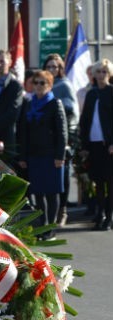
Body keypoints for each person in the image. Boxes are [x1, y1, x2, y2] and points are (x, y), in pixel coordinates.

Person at [18, 70, 67, 240]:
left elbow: (62, 132)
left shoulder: (55, 103)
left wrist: (60, 156)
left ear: (49, 85)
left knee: (52, 193)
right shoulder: (29, 103)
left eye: (42, 83)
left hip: (52, 156)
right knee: (38, 193)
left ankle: (51, 228)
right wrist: (23, 156)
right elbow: (23, 132)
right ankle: (42, 227)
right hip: (34, 155)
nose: (38, 86)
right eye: (35, 82)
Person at [43, 53, 79, 226]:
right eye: (49, 66)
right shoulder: (43, 85)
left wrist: (69, 137)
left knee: (63, 177)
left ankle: (62, 210)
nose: (52, 70)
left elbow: (73, 112)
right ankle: (49, 214)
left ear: (60, 69)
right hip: (46, 140)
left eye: (55, 67)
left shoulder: (64, 85)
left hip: (62, 138)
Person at [78, 59, 113, 231]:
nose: (101, 75)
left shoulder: (111, 92)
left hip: (109, 146)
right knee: (97, 182)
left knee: (110, 182)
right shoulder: (91, 94)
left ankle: (110, 216)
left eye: (104, 72)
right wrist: (84, 145)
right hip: (94, 144)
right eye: (98, 72)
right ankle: (100, 214)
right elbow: (84, 120)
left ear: (109, 74)